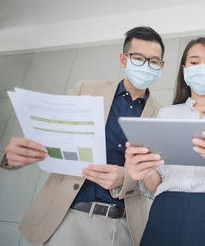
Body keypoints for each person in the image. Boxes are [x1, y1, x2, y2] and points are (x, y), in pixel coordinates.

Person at [0, 26, 166, 246]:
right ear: (124, 59)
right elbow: (48, 139)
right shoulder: (86, 89)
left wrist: (124, 178)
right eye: (138, 58)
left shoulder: (162, 115)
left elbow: (158, 181)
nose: (146, 65)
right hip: (67, 218)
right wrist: (14, 157)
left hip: (125, 225)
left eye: (154, 61)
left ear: (160, 67)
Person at [124, 37, 205, 246]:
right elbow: (155, 185)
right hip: (165, 212)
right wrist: (145, 168)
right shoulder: (166, 114)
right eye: (194, 62)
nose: (202, 68)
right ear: (184, 70)